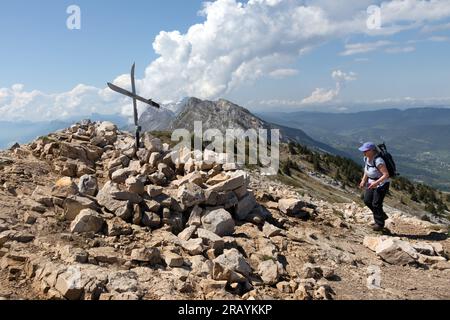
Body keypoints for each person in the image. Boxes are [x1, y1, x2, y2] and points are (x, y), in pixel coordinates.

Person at [358, 142, 391, 232]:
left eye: (365, 150)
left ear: (372, 151)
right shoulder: (366, 158)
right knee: (367, 201)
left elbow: (386, 174)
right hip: (371, 182)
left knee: (376, 204)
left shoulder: (378, 160)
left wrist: (376, 183)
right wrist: (363, 180)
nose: (363, 152)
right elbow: (367, 170)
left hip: (382, 184)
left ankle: (379, 224)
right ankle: (381, 216)